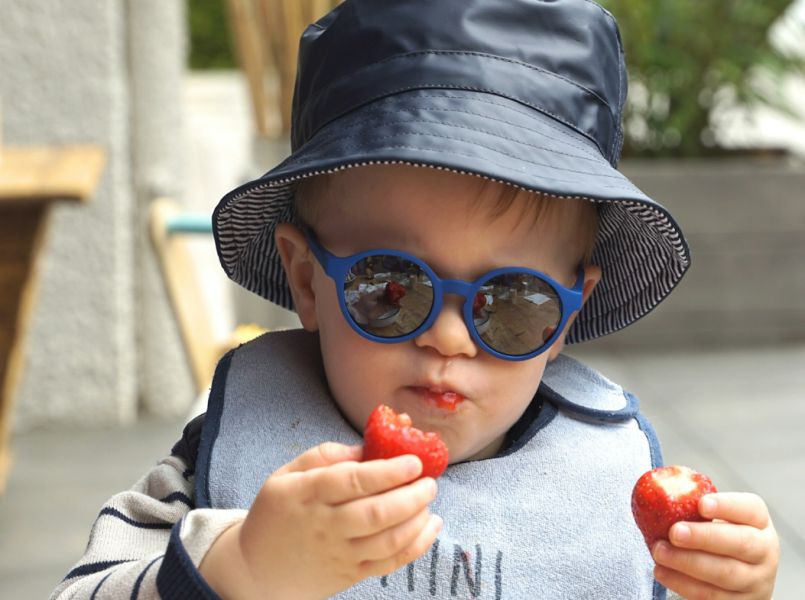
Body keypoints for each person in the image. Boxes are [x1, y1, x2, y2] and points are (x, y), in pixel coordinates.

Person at [51, 1, 780, 598]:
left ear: (569, 313)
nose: (451, 340)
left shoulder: (604, 485)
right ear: (307, 280)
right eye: (389, 290)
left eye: (514, 302)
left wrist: (718, 584)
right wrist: (237, 569)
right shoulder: (230, 449)